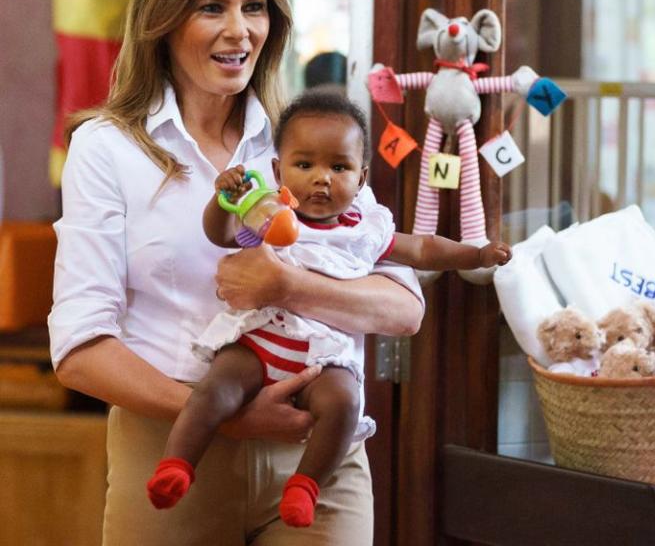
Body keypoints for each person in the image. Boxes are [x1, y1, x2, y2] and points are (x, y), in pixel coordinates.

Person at [48, 0, 424, 545]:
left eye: (254, 7)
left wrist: (287, 287)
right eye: (211, 8)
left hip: (318, 465)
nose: (239, 30)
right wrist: (229, 418)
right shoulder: (105, 148)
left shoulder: (309, 138)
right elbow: (80, 351)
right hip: (171, 454)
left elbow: (402, 307)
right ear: (164, 20)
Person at [147, 91, 511, 526]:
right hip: (261, 340)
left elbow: (424, 247)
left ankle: (305, 486)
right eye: (305, 165)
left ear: (361, 178)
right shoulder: (269, 213)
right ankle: (178, 465)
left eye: (339, 167)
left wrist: (477, 255)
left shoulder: (365, 231)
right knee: (215, 390)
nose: (322, 178)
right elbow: (221, 234)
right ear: (279, 170)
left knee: (345, 401)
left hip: (324, 354)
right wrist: (222, 199)